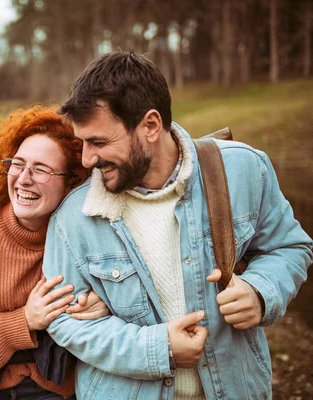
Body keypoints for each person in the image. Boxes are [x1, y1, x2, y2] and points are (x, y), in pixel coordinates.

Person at [42, 51, 313, 399]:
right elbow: (63, 321)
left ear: (151, 126)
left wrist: (261, 291)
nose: (86, 158)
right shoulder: (72, 217)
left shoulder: (245, 169)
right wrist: (157, 348)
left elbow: (289, 247)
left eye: (98, 142)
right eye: (82, 142)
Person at [0, 106, 109, 399]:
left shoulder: (83, 235)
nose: (24, 178)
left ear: (71, 181)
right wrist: (24, 320)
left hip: (55, 385)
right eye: (18, 164)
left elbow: (123, 297)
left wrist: (102, 305)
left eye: (40, 169)